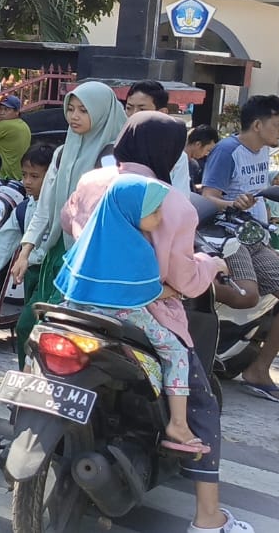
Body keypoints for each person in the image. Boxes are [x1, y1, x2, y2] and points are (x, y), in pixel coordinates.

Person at [62, 112, 244, 533]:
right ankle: (207, 516)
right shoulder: (168, 200)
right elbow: (183, 281)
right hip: (142, 311)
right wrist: (210, 263)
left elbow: (70, 225)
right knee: (201, 401)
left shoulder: (92, 181)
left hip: (79, 299)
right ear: (171, 152)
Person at [58, 173, 208, 453]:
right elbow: (145, 291)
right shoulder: (137, 247)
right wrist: (173, 293)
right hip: (122, 314)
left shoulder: (92, 236)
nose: (160, 217)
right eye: (153, 210)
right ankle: (178, 423)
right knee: (174, 351)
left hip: (75, 309)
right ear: (131, 210)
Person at [8, 81, 128, 364]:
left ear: (101, 113)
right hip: (57, 253)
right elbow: (45, 209)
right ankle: (31, 386)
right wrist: (25, 251)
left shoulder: (114, 158)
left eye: (84, 111)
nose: (74, 116)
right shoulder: (62, 153)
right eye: (71, 109)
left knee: (70, 335)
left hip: (92, 260)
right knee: (29, 325)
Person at [201, 94, 279, 404]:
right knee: (246, 295)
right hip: (228, 236)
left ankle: (258, 370)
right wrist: (231, 203)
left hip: (255, 238)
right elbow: (207, 196)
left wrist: (270, 246)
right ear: (258, 125)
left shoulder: (262, 151)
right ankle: (186, 287)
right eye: (277, 125)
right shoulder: (227, 151)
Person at [0, 143, 54, 301]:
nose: (27, 182)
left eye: (34, 176)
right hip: (31, 272)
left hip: (54, 273)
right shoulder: (23, 209)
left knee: (28, 322)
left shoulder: (64, 209)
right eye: (24, 175)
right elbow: (5, 240)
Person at [185, 125, 220, 191]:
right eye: (208, 150)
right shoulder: (178, 160)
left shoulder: (193, 165)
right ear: (198, 144)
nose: (207, 154)